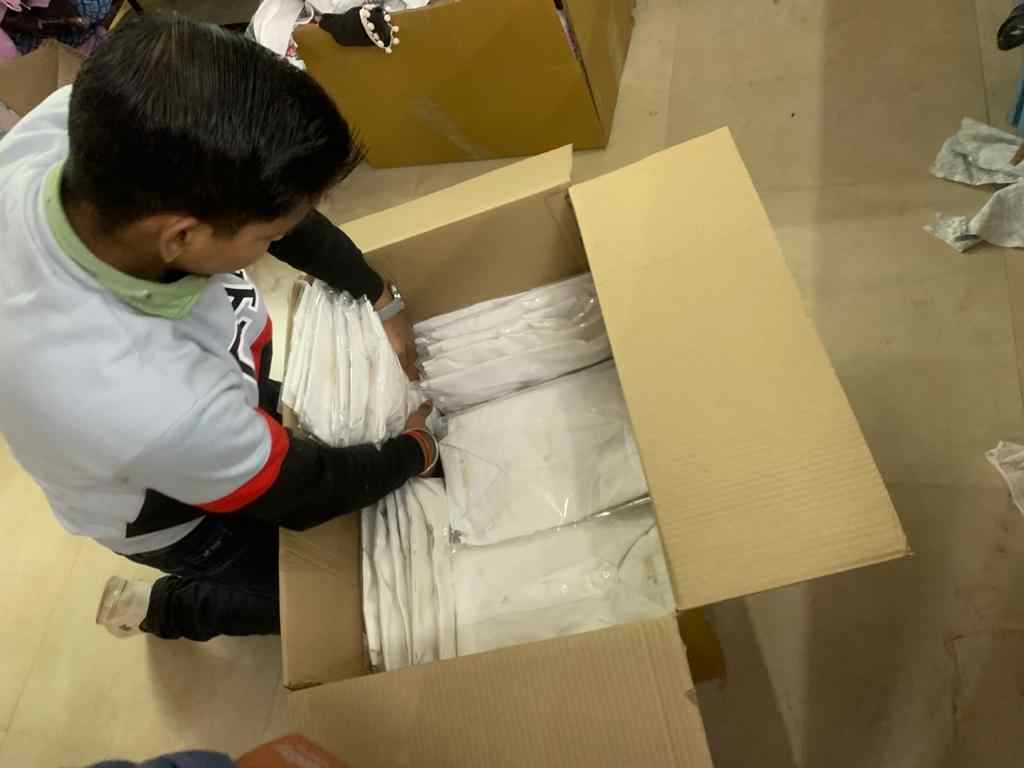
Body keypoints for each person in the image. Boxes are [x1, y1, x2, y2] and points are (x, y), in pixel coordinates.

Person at [0, 13, 438, 642]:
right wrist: (415, 451)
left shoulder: (87, 128)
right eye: (267, 238)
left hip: (202, 398)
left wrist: (378, 295)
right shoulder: (146, 400)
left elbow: (271, 199)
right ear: (182, 236)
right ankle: (170, 610)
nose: (276, 241)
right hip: (173, 515)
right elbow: (301, 491)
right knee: (301, 594)